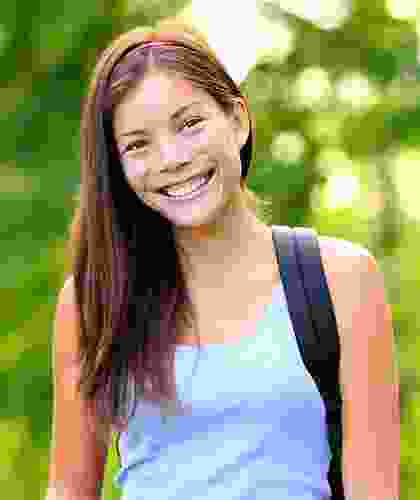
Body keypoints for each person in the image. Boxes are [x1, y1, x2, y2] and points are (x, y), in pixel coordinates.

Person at [45, 17, 399, 500]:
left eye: (189, 124)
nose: (171, 158)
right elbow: (68, 492)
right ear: (118, 167)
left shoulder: (342, 280)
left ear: (237, 120)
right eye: (138, 144)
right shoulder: (94, 302)